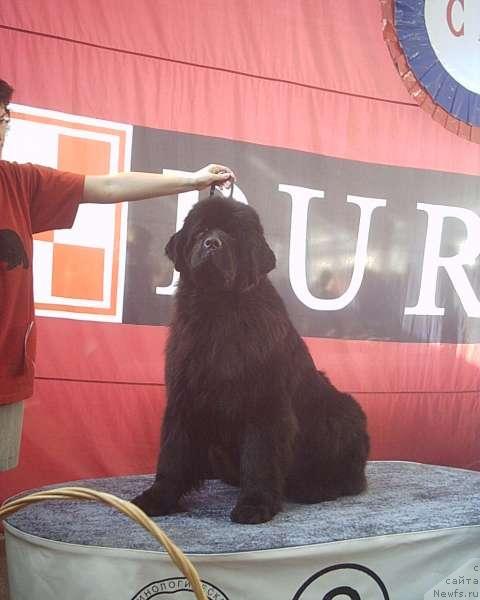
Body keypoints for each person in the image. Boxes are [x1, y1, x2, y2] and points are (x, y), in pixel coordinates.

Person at [0, 78, 235, 471]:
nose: (0, 129)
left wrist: (192, 180)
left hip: (6, 369)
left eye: (3, 119)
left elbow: (107, 185)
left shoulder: (19, 183)